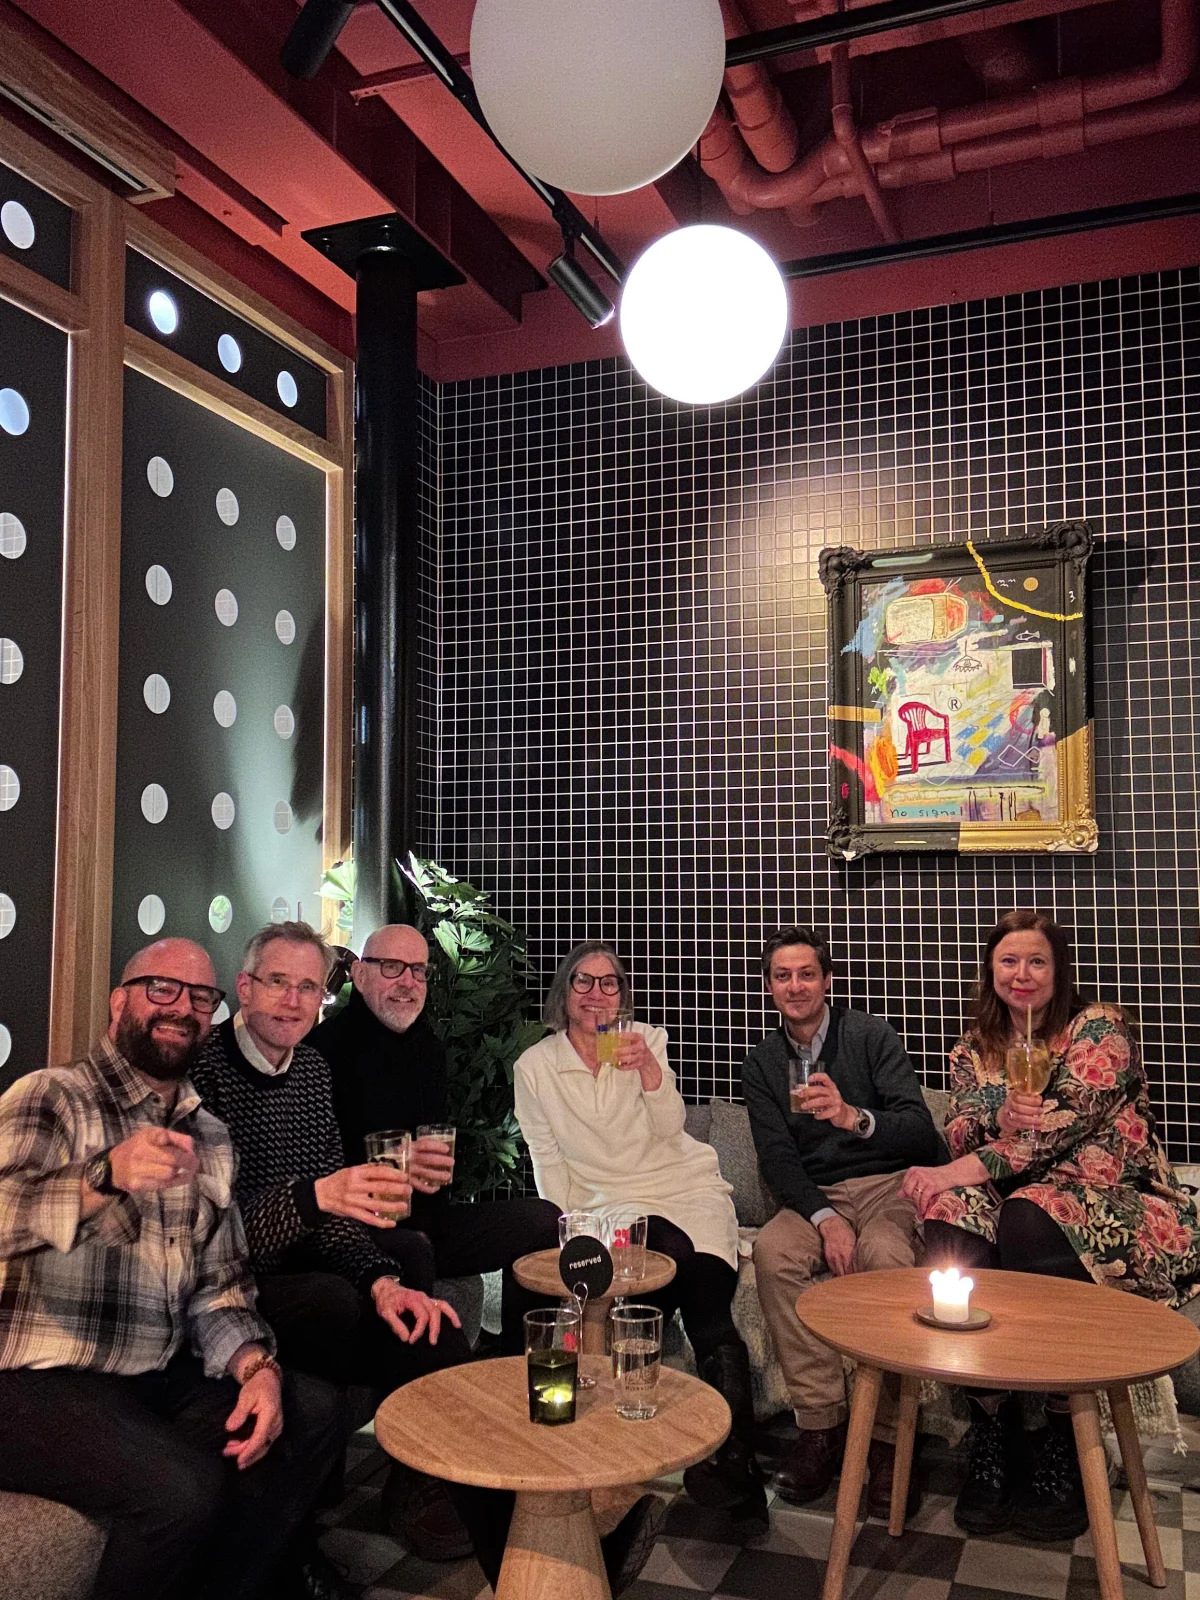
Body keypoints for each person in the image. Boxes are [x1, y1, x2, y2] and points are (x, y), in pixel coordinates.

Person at [191, 920, 663, 1592]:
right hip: (249, 1279)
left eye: (306, 987)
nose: (294, 1001)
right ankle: (427, 1481)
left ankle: (540, 1495)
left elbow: (339, 1203)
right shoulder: (217, 1071)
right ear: (245, 988)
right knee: (386, 1286)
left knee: (450, 1303)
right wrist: (344, 1215)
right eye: (278, 983)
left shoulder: (316, 1067)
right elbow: (220, 1234)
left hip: (365, 1237)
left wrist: (384, 1276)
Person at [0, 937, 346, 1600]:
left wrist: (257, 1368)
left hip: (152, 1373)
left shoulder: (207, 1136)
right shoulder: (54, 1096)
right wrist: (105, 1175)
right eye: (162, 988)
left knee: (312, 1411)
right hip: (32, 1377)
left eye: (199, 998)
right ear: (118, 1003)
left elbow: (220, 1287)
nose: (182, 1007)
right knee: (178, 1490)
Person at [902, 909, 1200, 1541]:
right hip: (1017, 1195)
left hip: (1118, 1200)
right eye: (1009, 960)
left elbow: (1057, 1127)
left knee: (1030, 1214)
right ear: (991, 969)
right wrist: (998, 1122)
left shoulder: (1099, 1028)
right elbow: (960, 1128)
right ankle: (997, 1423)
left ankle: (1065, 1431)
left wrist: (955, 1167)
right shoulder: (973, 1048)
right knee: (950, 1212)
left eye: (1037, 961)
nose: (1022, 974)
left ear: (1058, 970)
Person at [514, 939, 769, 1533]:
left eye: (609, 983)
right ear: (564, 993)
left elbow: (671, 1127)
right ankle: (637, 1454)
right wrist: (568, 1228)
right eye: (583, 981)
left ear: (621, 996)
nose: (596, 994)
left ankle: (736, 1465)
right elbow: (546, 1157)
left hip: (685, 1186)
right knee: (659, 1257)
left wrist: (652, 1073)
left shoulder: (645, 1040)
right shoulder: (536, 1067)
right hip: (610, 1203)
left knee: (706, 1293)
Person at [742, 926, 942, 1514]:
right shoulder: (763, 1062)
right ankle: (820, 1425)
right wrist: (825, 1216)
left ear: (827, 981)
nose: (795, 986)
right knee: (773, 1251)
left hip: (887, 1184)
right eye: (782, 976)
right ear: (769, 986)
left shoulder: (870, 1037)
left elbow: (919, 1131)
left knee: (885, 1254)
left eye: (807, 974)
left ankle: (887, 1439)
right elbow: (777, 1158)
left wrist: (854, 1116)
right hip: (817, 1193)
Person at [310, 922, 560, 1354]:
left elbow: (435, 1160)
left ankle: (517, 1360)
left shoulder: (427, 1049)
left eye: (419, 970)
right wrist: (396, 1163)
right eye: (392, 967)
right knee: (414, 1249)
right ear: (360, 975)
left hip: (426, 1218)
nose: (408, 981)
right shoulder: (322, 1052)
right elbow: (316, 1173)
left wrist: (432, 1170)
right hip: (358, 1230)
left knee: (542, 1220)